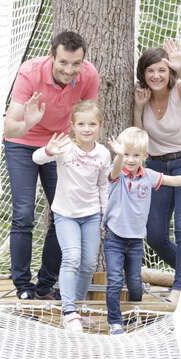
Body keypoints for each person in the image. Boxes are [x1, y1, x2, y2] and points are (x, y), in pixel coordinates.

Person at [3, 31, 100, 300]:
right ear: (52, 56)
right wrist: (31, 121)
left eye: (76, 63)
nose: (70, 70)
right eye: (64, 63)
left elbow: (86, 119)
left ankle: (46, 284)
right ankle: (23, 285)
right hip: (23, 140)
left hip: (59, 145)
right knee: (23, 214)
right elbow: (10, 126)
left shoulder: (89, 76)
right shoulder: (30, 72)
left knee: (63, 214)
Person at [102, 127, 181, 335]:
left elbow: (173, 180)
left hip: (135, 240)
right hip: (114, 237)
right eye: (126, 154)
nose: (130, 160)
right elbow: (116, 170)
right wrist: (118, 155)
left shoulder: (148, 176)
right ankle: (115, 322)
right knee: (115, 279)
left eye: (136, 155)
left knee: (135, 281)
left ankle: (134, 314)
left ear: (144, 156)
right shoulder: (117, 175)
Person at [32, 101, 110, 333]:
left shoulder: (103, 153)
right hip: (66, 214)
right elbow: (37, 158)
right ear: (73, 126)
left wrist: (104, 214)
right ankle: (68, 311)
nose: (87, 129)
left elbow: (103, 185)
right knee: (72, 257)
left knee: (88, 263)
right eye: (81, 124)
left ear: (100, 126)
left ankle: (77, 307)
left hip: (91, 215)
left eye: (92, 124)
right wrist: (48, 151)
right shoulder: (64, 147)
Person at [132, 40, 181, 305]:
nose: (156, 76)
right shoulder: (143, 99)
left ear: (169, 73)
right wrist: (137, 108)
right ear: (143, 73)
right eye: (150, 71)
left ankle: (179, 287)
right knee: (155, 233)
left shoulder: (180, 91)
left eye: (162, 70)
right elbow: (139, 138)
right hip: (156, 166)